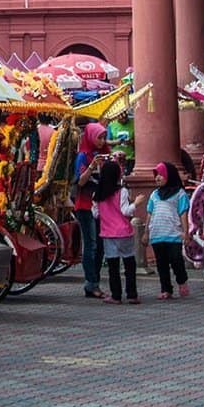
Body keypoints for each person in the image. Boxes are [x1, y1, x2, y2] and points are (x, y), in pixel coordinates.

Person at [93, 158, 140, 304]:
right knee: (129, 264)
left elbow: (95, 214)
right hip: (123, 232)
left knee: (113, 267)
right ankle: (132, 294)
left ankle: (116, 295)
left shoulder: (98, 194)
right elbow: (125, 211)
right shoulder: (122, 192)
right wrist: (136, 203)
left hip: (107, 233)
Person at [73, 122, 110, 300]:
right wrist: (92, 166)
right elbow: (80, 182)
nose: (102, 141)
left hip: (101, 206)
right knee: (91, 245)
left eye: (104, 137)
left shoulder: (105, 154)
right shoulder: (83, 156)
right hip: (85, 206)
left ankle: (93, 282)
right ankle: (91, 283)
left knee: (100, 246)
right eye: (99, 137)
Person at [147, 162, 191, 299]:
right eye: (156, 175)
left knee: (176, 259)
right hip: (157, 234)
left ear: (169, 176)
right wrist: (145, 233)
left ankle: (182, 281)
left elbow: (183, 213)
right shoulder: (154, 194)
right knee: (161, 264)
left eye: (161, 174)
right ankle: (166, 289)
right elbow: (149, 213)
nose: (157, 178)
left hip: (173, 234)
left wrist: (186, 232)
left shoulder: (180, 193)